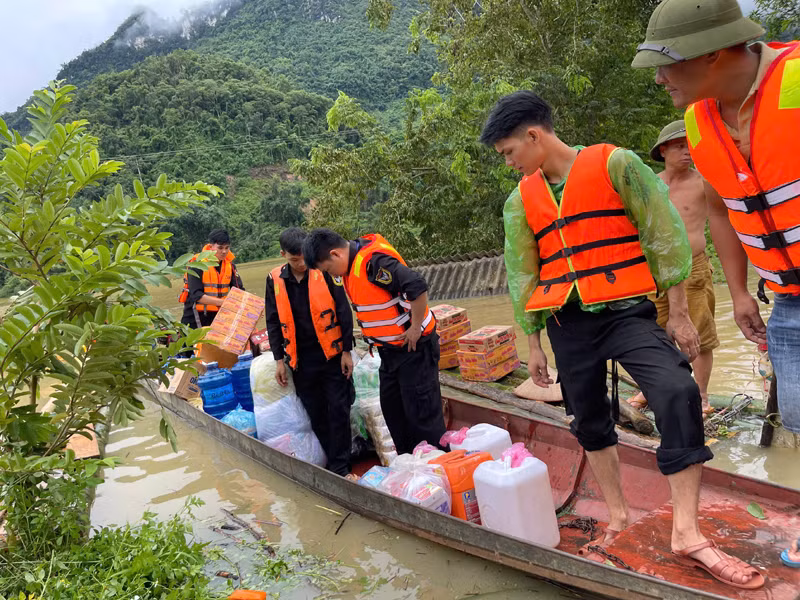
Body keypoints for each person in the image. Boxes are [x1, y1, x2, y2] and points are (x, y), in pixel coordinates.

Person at [481, 90, 764, 589]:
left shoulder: (616, 164)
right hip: (567, 324)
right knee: (589, 421)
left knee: (677, 391)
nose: (508, 163)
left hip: (626, 313)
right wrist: (533, 344)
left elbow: (663, 235)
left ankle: (686, 531)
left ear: (533, 136)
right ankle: (617, 515)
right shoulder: (520, 200)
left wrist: (679, 314)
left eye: (509, 152)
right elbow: (523, 272)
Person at [633, 0, 799, 573]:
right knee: (799, 418)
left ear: (713, 54)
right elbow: (727, 211)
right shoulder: (701, 124)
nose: (659, 78)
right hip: (787, 297)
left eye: (667, 63)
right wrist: (741, 292)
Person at [302, 228, 446, 456]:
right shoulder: (351, 267)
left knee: (422, 416)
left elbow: (417, 286)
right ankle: (411, 467)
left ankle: (438, 467)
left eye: (328, 269)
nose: (331, 274)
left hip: (414, 350)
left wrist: (415, 327)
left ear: (335, 254)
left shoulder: (374, 263)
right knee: (394, 412)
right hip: (389, 354)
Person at [628, 121, 718, 416]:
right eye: (679, 146)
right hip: (655, 273)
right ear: (663, 150)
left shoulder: (704, 181)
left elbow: (724, 218)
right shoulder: (651, 184)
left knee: (700, 333)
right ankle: (650, 390)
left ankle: (701, 395)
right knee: (654, 333)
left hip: (694, 268)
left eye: (689, 146)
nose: (687, 152)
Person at [264, 227, 356, 479]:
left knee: (339, 409)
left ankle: (341, 467)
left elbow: (343, 309)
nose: (302, 264)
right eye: (295, 259)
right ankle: (333, 461)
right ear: (283, 255)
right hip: (301, 360)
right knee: (316, 413)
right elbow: (272, 321)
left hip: (332, 355)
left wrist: (347, 351)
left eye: (304, 258)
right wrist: (279, 360)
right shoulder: (274, 280)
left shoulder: (324, 270)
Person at [179, 229, 244, 329]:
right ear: (211, 247)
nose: (224, 251)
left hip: (218, 317)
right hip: (195, 317)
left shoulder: (230, 266)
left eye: (227, 248)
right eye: (220, 248)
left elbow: (240, 292)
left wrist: (252, 308)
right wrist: (225, 303)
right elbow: (196, 295)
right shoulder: (197, 264)